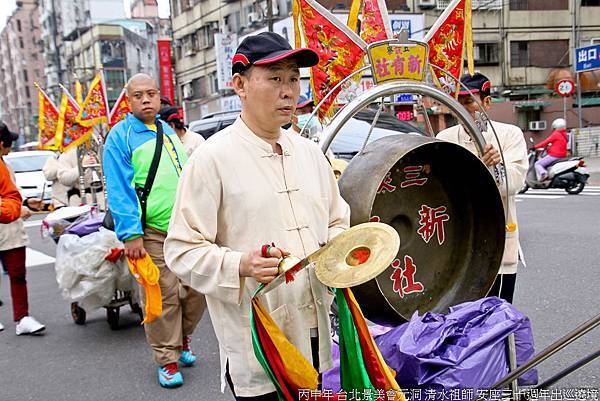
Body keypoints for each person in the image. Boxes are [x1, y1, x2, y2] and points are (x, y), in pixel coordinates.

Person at [164, 32, 350, 400]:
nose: (289, 91)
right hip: (257, 341)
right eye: (275, 77)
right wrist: (240, 265)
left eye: (294, 78)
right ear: (240, 84)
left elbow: (336, 222)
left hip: (315, 331)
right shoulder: (212, 158)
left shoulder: (311, 154)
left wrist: (344, 251)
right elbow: (181, 250)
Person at [103, 73, 206, 388]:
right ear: (128, 100)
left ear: (160, 96)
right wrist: (131, 233)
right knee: (162, 296)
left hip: (186, 228)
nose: (146, 100)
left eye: (151, 93)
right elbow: (119, 189)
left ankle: (182, 338)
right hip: (150, 232)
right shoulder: (120, 137)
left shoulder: (167, 131)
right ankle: (167, 358)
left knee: (196, 290)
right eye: (138, 95)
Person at [437, 73, 528, 303]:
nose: (462, 108)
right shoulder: (444, 138)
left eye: (469, 101)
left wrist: (496, 166)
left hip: (497, 242)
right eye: (458, 102)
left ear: (487, 102)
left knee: (497, 317)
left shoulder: (509, 135)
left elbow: (514, 182)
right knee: (460, 317)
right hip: (457, 245)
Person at [0, 123, 45, 335]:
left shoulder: (5, 165)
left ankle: (23, 317)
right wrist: (18, 210)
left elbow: (11, 194)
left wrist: (26, 203)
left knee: (18, 274)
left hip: (11, 232)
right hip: (7, 221)